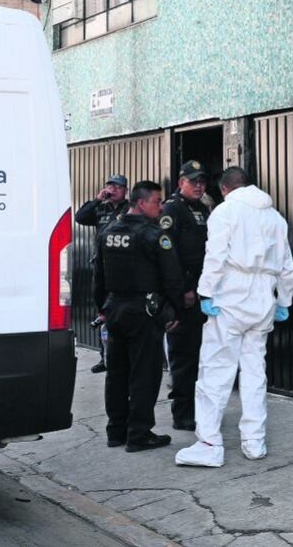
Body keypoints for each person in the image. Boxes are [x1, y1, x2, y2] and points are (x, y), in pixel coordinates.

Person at [174, 167, 293, 467]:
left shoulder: (226, 212)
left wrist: (205, 293)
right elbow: (287, 265)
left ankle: (209, 444)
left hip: (231, 296)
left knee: (216, 370)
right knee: (255, 372)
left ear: (225, 189)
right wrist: (285, 300)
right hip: (263, 298)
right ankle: (254, 442)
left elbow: (215, 256)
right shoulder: (275, 218)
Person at [94, 180, 185, 452]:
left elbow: (99, 276)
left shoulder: (109, 231)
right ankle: (139, 433)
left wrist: (102, 308)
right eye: (157, 202)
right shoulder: (154, 235)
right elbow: (173, 279)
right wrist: (175, 311)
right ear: (142, 203)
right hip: (144, 312)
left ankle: (116, 431)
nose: (160, 207)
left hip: (115, 309)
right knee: (144, 374)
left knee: (117, 372)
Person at [160, 160, 212, 431]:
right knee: (183, 357)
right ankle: (182, 414)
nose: (199, 186)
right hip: (185, 295)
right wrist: (184, 289)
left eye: (202, 181)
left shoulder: (201, 208)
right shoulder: (172, 209)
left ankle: (197, 407)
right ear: (181, 182)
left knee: (200, 356)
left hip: (203, 293)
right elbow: (169, 255)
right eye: (194, 181)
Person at [74, 174, 129, 373]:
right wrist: (97, 199)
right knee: (102, 310)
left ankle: (120, 356)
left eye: (117, 187)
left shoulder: (129, 209)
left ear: (125, 190)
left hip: (123, 269)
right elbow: (80, 217)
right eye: (110, 186)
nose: (112, 190)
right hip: (102, 268)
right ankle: (104, 357)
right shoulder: (100, 208)